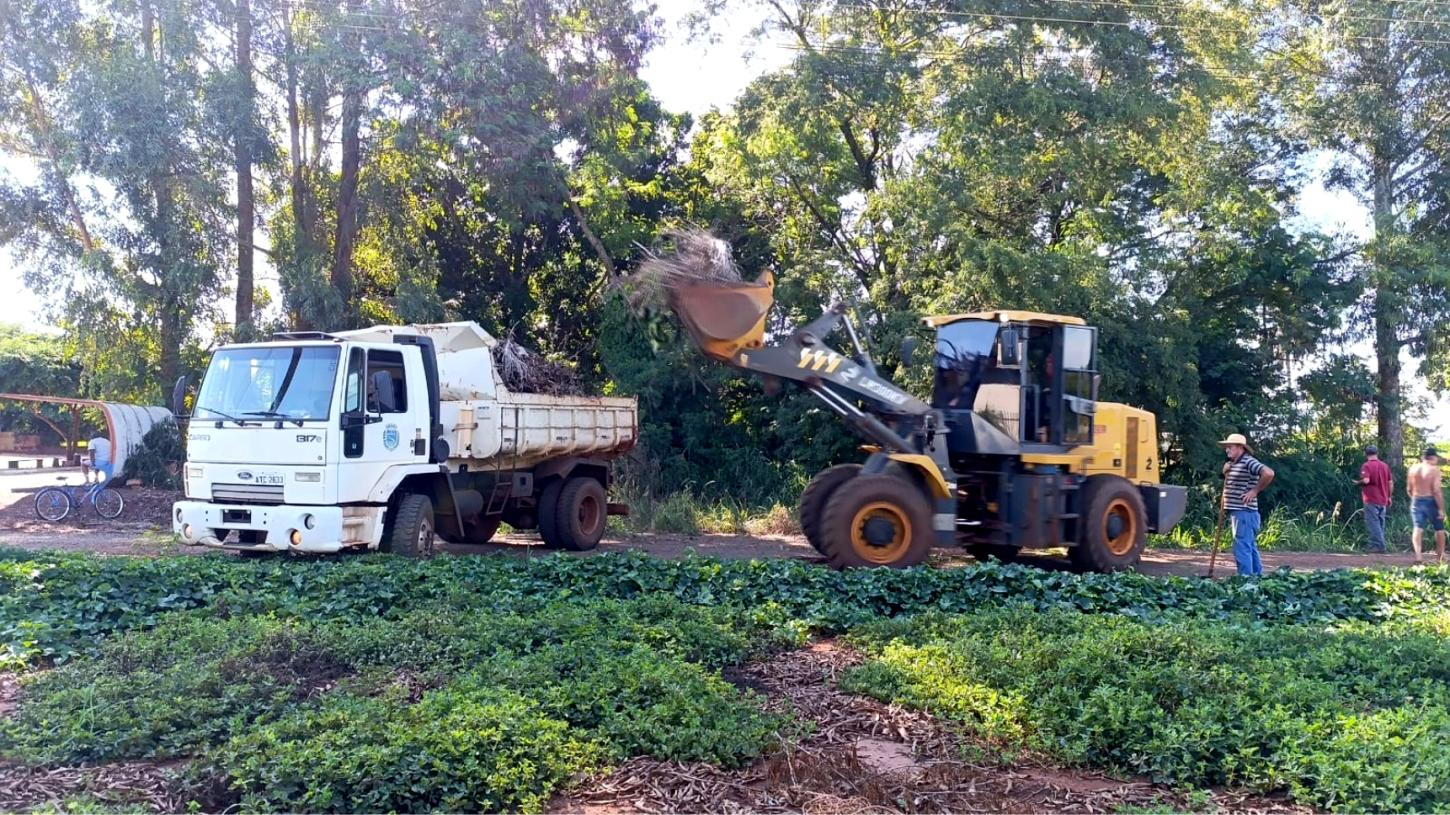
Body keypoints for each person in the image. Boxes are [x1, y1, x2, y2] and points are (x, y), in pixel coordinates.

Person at [1220, 432, 1275, 576]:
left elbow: (1268, 473)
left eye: (1230, 447)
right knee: (1249, 545)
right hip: (1240, 511)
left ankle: (1245, 580)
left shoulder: (1248, 461)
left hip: (1244, 511)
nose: (1227, 450)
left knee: (1242, 547)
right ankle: (1256, 577)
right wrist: (1225, 471)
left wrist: (1254, 491)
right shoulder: (1235, 463)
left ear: (1240, 447)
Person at [1408, 446, 1446, 563]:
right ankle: (1440, 557)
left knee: (1418, 527)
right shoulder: (1434, 470)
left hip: (1416, 499)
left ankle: (1418, 556)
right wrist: (1441, 509)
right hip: (1430, 500)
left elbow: (1409, 489)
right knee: (1439, 528)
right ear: (1432, 457)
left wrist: (1416, 499)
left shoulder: (1413, 469)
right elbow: (1436, 490)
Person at [1358, 444, 1392, 554]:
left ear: (1366, 454)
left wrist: (1359, 482)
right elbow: (1390, 483)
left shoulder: (1366, 465)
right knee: (1380, 522)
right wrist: (1389, 496)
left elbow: (1366, 480)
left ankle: (1379, 546)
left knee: (1373, 522)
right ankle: (1376, 545)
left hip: (1371, 498)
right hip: (1383, 498)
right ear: (1377, 453)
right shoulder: (1385, 466)